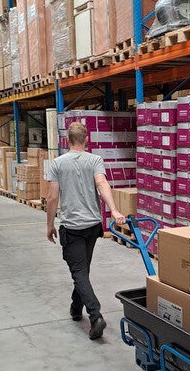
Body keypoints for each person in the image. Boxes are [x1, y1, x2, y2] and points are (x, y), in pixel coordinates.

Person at [43, 122, 127, 339]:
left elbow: (52, 197)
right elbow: (102, 185)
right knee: (82, 271)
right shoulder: (95, 160)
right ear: (86, 139)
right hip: (92, 227)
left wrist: (49, 225)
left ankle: (95, 316)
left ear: (67, 140)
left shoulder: (57, 164)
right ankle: (75, 308)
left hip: (73, 228)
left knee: (79, 272)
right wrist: (114, 210)